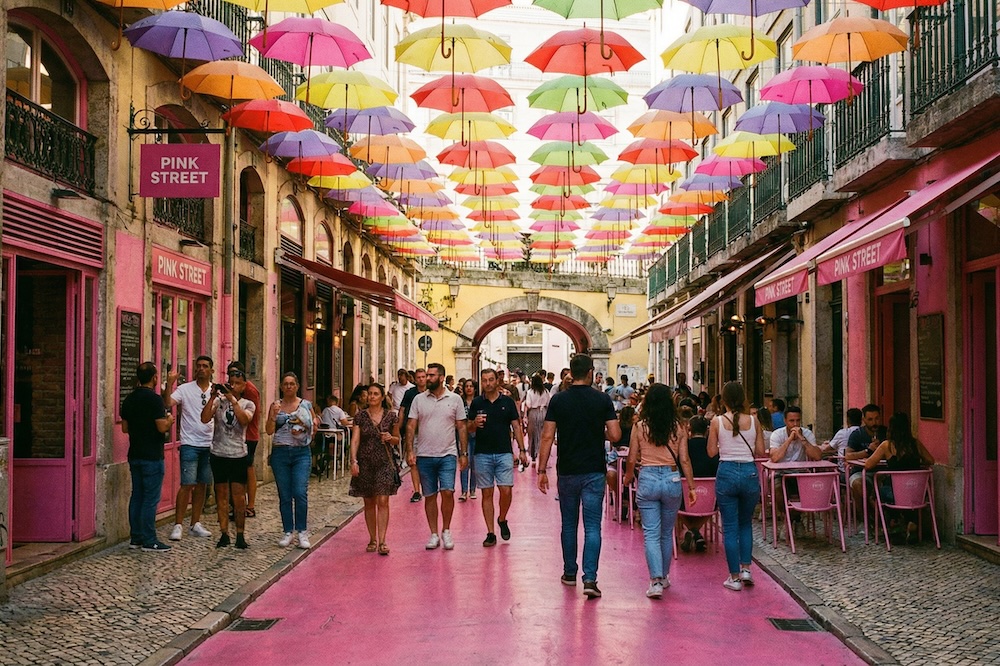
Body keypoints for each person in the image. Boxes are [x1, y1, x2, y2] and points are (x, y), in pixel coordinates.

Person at [537, 354, 621, 599]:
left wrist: (542, 470)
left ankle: (569, 572)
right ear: (591, 371)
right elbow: (615, 435)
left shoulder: (559, 400)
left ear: (571, 373)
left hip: (568, 469)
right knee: (593, 526)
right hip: (594, 469)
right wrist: (599, 431)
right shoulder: (602, 399)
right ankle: (591, 578)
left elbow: (547, 436)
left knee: (569, 523)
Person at [623, 384, 697, 599]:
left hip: (648, 477)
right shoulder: (679, 427)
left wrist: (628, 476)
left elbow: (631, 457)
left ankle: (655, 581)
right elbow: (684, 459)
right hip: (672, 478)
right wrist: (691, 487)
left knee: (651, 534)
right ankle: (664, 576)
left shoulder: (640, 427)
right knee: (667, 533)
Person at [707, 381, 765, 591]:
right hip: (749, 472)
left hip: (727, 472)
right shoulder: (754, 420)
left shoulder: (717, 421)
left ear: (723, 400)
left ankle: (734, 577)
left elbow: (711, 452)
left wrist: (724, 443)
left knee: (729, 527)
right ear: (743, 398)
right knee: (745, 523)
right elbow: (760, 451)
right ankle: (747, 569)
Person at [405, 363, 468, 551]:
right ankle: (433, 533)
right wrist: (410, 450)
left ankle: (446, 529)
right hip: (424, 454)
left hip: (448, 454)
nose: (428, 378)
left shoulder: (455, 399)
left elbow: (462, 427)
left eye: (431, 375)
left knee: (448, 492)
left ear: (441, 378)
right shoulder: (418, 399)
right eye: (427, 375)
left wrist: (463, 453)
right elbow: (410, 426)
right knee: (430, 496)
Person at [468, 368, 528, 547]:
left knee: (506, 490)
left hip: (504, 452)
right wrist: (474, 424)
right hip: (482, 453)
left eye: (491, 380)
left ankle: (502, 518)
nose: (487, 383)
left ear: (497, 381)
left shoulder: (507, 402)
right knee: (486, 493)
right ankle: (490, 532)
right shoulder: (477, 403)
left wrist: (522, 450)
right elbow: (468, 427)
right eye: (484, 380)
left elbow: (516, 426)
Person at [121, 362, 175, 552]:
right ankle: (149, 539)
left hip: (135, 453)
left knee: (137, 495)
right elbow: (161, 427)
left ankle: (135, 538)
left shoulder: (129, 400)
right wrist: (169, 421)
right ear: (154, 378)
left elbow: (125, 428)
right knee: (150, 499)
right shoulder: (154, 400)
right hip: (152, 454)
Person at [163, 356, 216, 541]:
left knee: (202, 484)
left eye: (205, 366)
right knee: (187, 484)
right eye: (199, 366)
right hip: (189, 443)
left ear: (211, 370)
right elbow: (168, 402)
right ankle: (178, 524)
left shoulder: (216, 391)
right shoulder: (185, 389)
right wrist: (170, 383)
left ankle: (195, 523)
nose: (201, 369)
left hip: (208, 444)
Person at [201, 372, 255, 549]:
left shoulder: (248, 404)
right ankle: (224, 533)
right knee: (221, 495)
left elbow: (244, 419)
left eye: (237, 383)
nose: (233, 385)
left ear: (244, 385)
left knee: (239, 497)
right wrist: (212, 398)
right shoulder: (219, 402)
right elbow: (204, 418)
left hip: (238, 455)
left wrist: (232, 400)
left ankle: (240, 534)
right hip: (218, 454)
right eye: (230, 382)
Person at [864, 412, 935, 543]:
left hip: (895, 495)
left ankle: (894, 524)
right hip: (917, 493)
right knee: (903, 496)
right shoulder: (915, 444)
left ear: (891, 428)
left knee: (876, 495)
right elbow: (931, 460)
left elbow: (868, 465)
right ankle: (911, 521)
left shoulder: (887, 445)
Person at [349, 383, 402, 556]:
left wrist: (390, 437)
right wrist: (353, 461)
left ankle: (383, 540)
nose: (371, 397)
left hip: (384, 463)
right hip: (365, 463)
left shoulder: (391, 417)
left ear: (381, 397)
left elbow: (397, 439)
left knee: (383, 501)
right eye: (369, 394)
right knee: (369, 502)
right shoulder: (360, 417)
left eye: (375, 394)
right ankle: (372, 538)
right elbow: (355, 440)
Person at [266, 372, 317, 549]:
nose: (288, 387)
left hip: (300, 452)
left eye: (292, 384)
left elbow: (313, 427)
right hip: (280, 452)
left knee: (300, 492)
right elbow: (268, 430)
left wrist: (302, 427)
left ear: (296, 386)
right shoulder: (276, 406)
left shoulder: (305, 405)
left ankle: (302, 531)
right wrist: (273, 415)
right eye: (285, 384)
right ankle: (288, 531)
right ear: (281, 386)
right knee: (284, 494)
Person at [679, 414, 718, 552]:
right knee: (711, 505)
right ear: (707, 431)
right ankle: (696, 532)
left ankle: (692, 530)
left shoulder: (684, 448)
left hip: (686, 497)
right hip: (709, 498)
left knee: (674, 503)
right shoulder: (713, 449)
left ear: (690, 430)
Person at [227, 362, 260, 519]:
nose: (233, 379)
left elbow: (247, 415)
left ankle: (250, 505)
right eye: (230, 375)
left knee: (247, 470)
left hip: (248, 435)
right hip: (235, 435)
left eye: (236, 374)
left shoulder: (249, 390)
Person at [846, 403, 888, 508]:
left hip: (884, 472)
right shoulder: (857, 434)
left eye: (877, 419)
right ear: (864, 420)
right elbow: (848, 456)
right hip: (861, 472)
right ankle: (865, 518)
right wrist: (868, 451)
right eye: (870, 419)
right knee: (858, 485)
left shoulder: (886, 432)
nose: (874, 423)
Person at [399, 368, 427, 502]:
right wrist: (399, 427)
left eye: (423, 377)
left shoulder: (431, 392)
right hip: (413, 431)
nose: (421, 379)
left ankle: (428, 488)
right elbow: (402, 410)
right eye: (419, 377)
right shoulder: (410, 393)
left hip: (428, 432)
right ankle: (417, 490)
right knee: (413, 462)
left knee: (426, 461)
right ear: (415, 379)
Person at [523, 374, 551, 467]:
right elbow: (548, 402)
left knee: (533, 435)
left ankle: (533, 456)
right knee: (542, 435)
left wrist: (525, 416)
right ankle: (543, 456)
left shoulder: (530, 392)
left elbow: (529, 404)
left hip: (533, 413)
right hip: (544, 412)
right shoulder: (546, 391)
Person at [459, 379, 479, 502]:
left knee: (474, 463)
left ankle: (472, 489)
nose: (469, 388)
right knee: (464, 462)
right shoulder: (460, 402)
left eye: (471, 386)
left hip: (477, 435)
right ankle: (464, 491)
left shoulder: (478, 402)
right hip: (464, 435)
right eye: (467, 386)